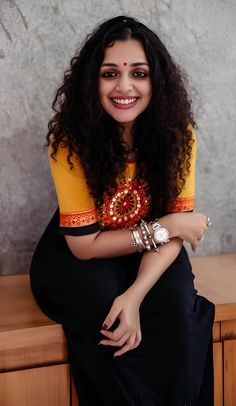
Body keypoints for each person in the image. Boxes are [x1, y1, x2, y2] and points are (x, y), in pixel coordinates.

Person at [30, 16, 215, 406]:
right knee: (108, 321)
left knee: (178, 309)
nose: (124, 86)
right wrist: (164, 227)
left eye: (140, 73)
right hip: (82, 253)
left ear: (157, 81)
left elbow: (174, 233)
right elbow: (85, 246)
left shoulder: (179, 135)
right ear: (91, 81)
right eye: (110, 73)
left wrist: (135, 295)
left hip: (153, 247)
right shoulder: (70, 142)